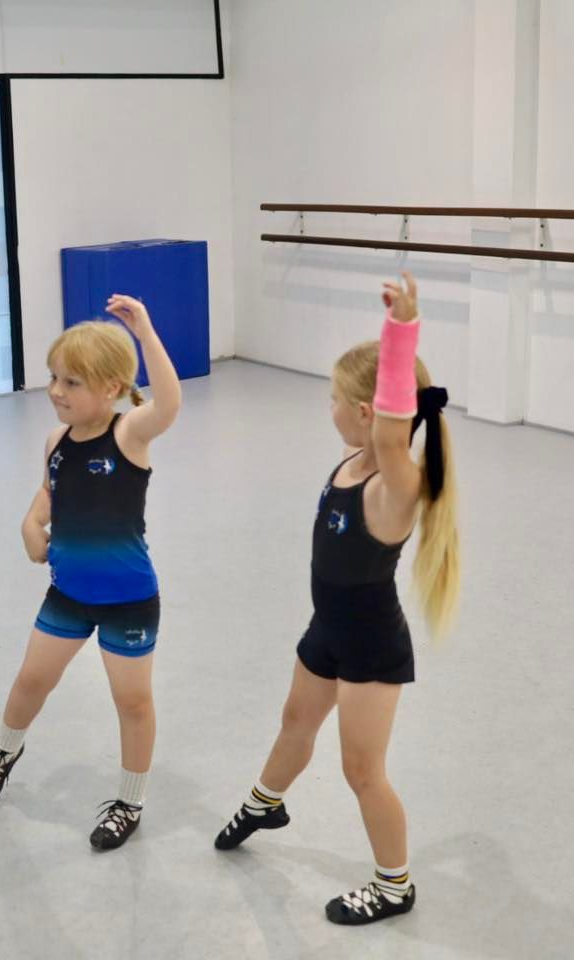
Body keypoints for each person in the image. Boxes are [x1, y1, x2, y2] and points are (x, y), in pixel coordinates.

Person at [212, 273, 460, 927]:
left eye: (334, 400)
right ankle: (268, 800)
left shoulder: (395, 483)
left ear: (368, 412)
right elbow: (376, 435)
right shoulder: (350, 464)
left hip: (372, 643)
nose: (327, 410)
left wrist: (400, 331)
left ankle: (393, 884)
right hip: (328, 626)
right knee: (295, 721)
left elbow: (389, 433)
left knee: (361, 770)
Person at [0, 296, 181, 851]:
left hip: (129, 600)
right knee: (31, 681)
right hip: (66, 594)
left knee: (132, 701)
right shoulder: (56, 443)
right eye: (54, 378)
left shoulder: (129, 435)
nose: (57, 391)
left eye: (72, 382)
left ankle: (130, 799)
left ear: (112, 388)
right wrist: (30, 522)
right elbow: (49, 493)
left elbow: (170, 404)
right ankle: (5, 748)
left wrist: (146, 333)